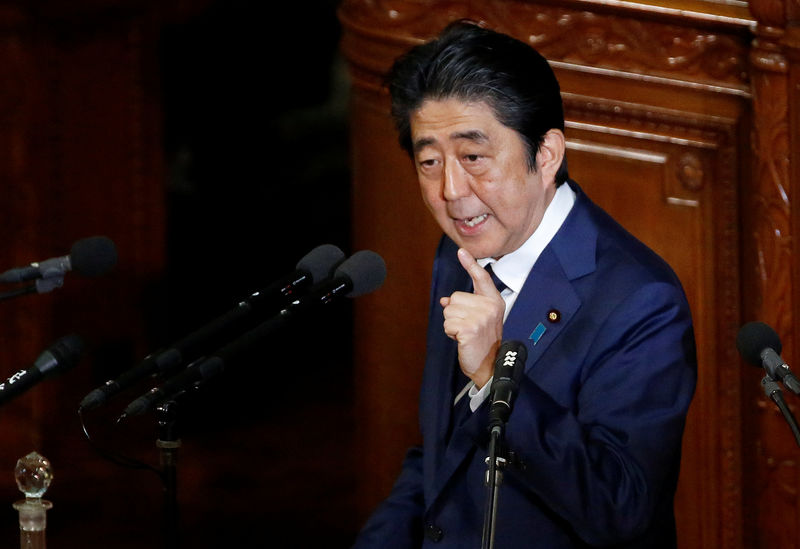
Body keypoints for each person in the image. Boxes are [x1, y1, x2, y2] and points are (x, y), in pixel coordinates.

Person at [352, 20, 697, 549]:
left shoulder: (642, 300)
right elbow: (441, 455)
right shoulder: (460, 254)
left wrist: (495, 375)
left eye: (473, 158)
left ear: (546, 154)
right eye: (428, 162)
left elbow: (620, 508)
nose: (450, 190)